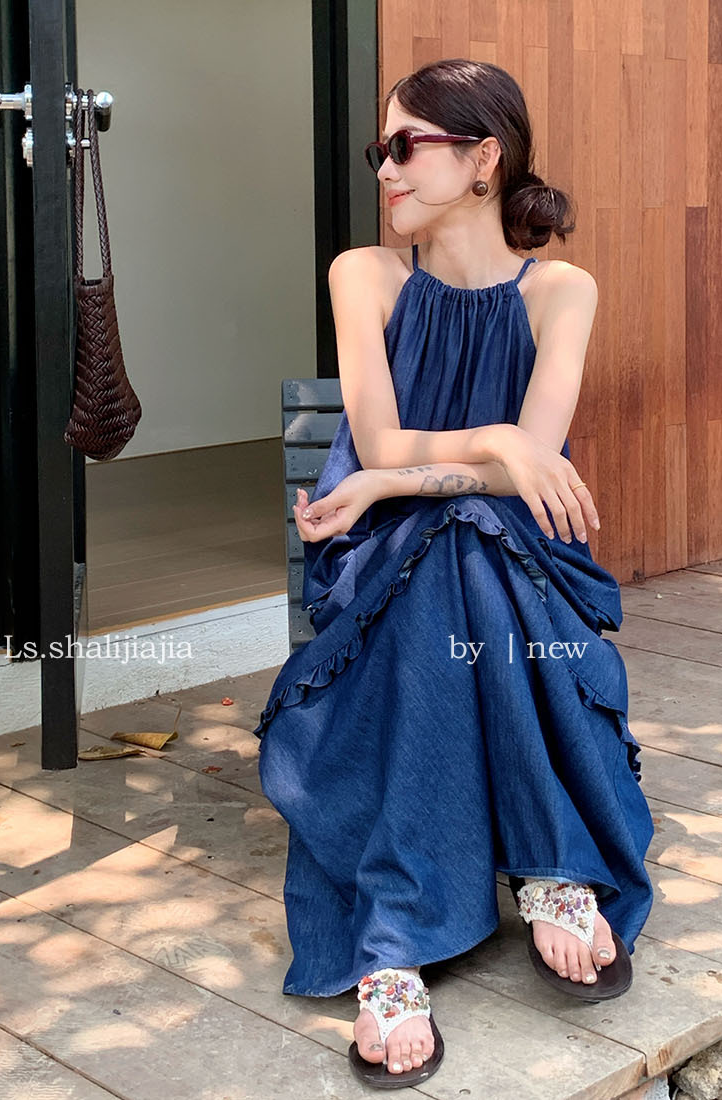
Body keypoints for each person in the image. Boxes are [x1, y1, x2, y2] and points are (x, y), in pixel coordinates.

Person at [252, 58, 655, 1089]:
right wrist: (493, 444)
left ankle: (392, 939)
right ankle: (552, 865)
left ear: (483, 160)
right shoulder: (364, 274)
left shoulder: (561, 291)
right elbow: (394, 442)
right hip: (382, 552)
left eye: (405, 146)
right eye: (379, 149)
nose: (384, 169)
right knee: (455, 542)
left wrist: (409, 479)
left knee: (470, 537)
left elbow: (515, 475)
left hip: (513, 555)